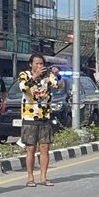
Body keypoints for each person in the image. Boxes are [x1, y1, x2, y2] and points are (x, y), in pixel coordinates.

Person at [19, 53, 63, 187]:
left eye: (42, 64)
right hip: (29, 116)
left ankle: (43, 177)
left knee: (44, 148)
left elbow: (58, 85)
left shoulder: (47, 76)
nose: (40, 66)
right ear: (31, 64)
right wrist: (35, 76)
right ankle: (30, 177)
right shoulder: (24, 75)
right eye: (37, 63)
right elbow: (23, 88)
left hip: (45, 116)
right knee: (30, 148)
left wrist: (56, 74)